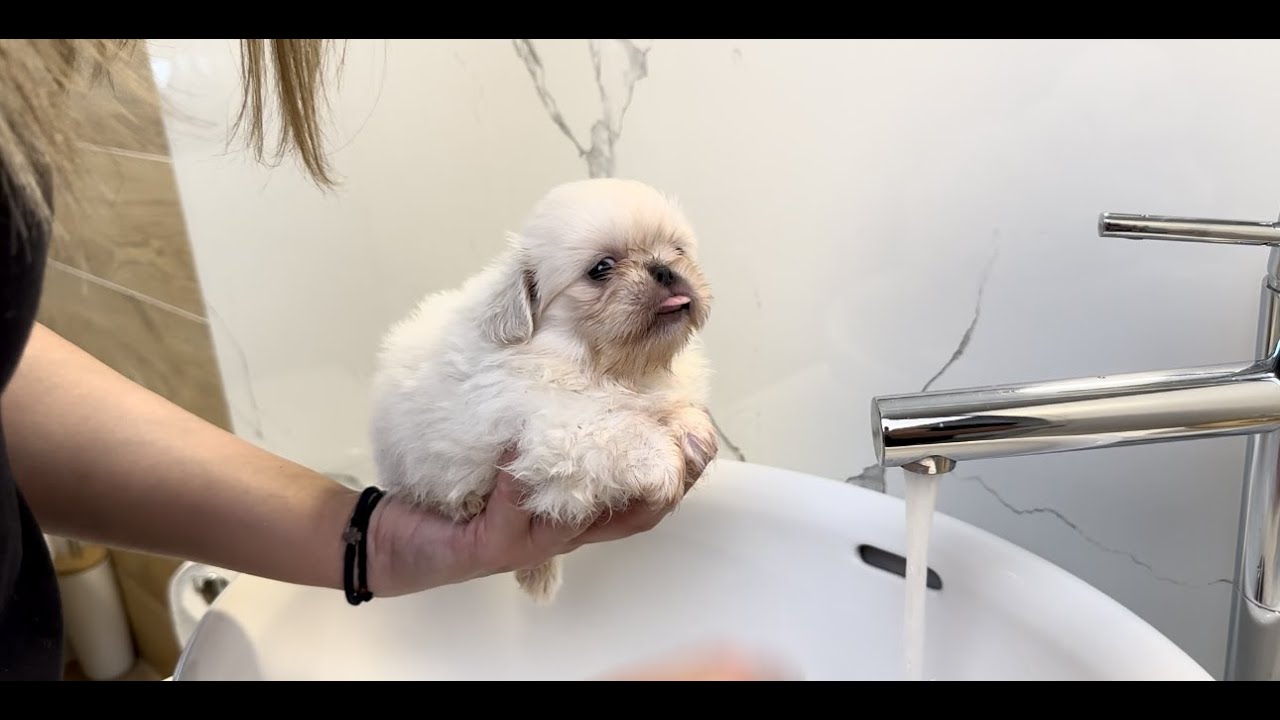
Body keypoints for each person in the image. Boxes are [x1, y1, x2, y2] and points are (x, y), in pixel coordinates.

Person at [0, 40, 783, 681]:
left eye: (675, 253)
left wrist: (374, 540)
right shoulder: (522, 365)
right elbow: (561, 451)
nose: (661, 274)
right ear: (524, 305)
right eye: (604, 271)